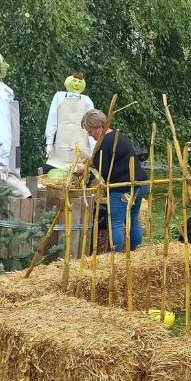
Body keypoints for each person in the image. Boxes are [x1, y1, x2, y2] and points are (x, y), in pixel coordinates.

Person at [74, 109, 148, 252]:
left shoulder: (105, 143)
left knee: (116, 223)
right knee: (132, 220)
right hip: (141, 183)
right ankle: (136, 253)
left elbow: (103, 170)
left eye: (90, 131)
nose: (89, 135)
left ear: (99, 127)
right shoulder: (118, 136)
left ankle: (114, 258)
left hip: (123, 188)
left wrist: (84, 170)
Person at [0, 48, 31, 198]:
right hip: (11, 143)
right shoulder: (6, 91)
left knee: (5, 180)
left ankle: (27, 201)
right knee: (13, 176)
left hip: (0, 144)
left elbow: (2, 124)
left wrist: (2, 160)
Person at [43, 72, 95, 172]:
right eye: (74, 81)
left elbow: (92, 124)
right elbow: (52, 119)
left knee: (78, 172)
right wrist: (49, 142)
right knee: (59, 172)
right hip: (62, 142)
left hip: (82, 144)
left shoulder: (87, 100)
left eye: (79, 81)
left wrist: (93, 147)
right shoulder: (59, 96)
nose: (76, 84)